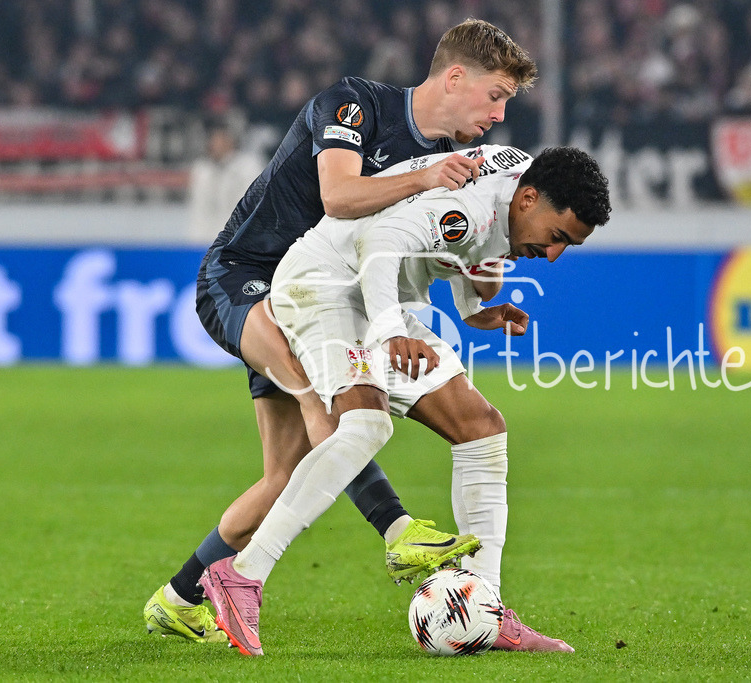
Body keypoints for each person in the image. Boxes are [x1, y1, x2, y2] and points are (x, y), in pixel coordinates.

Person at [143, 19, 537, 644]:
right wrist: (424, 178)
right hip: (246, 278)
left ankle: (179, 596)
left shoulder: (455, 164)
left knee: (287, 474)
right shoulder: (355, 104)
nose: (499, 114)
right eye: (495, 96)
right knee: (329, 407)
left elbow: (423, 248)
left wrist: (475, 294)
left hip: (327, 295)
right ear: (455, 78)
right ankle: (397, 530)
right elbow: (338, 197)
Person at [199, 144, 612, 656]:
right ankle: (243, 573)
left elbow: (465, 241)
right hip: (325, 286)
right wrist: (390, 329)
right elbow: (382, 240)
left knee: (481, 427)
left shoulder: (511, 181)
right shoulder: (475, 209)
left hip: (368, 294)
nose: (553, 255)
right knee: (366, 426)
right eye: (557, 238)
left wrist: (470, 307)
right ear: (528, 199)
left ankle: (485, 606)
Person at [187, 122, 267, 244]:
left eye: (220, 139)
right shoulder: (201, 170)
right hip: (205, 238)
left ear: (231, 140)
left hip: (241, 238)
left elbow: (254, 205)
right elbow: (198, 208)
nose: (215, 144)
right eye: (212, 139)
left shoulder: (249, 166)